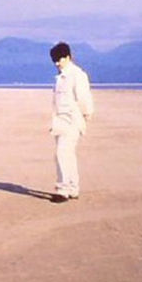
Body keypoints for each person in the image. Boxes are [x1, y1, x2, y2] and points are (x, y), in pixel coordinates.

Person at [48, 41, 94, 202]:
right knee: (68, 155)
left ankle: (63, 190)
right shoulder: (60, 77)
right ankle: (73, 188)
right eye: (54, 60)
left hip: (72, 120)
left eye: (59, 59)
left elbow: (84, 97)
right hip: (60, 121)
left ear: (68, 57)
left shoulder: (77, 75)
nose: (57, 63)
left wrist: (86, 114)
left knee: (62, 153)